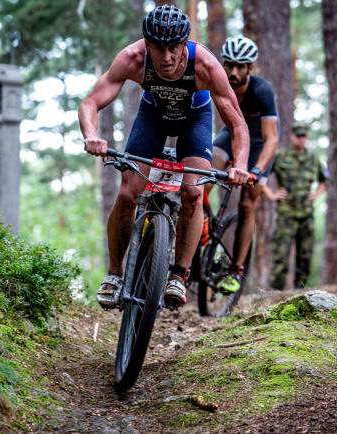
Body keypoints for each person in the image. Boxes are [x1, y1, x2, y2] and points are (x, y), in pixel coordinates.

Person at [79, 5, 251, 309]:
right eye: (159, 49)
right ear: (147, 45)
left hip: (195, 120)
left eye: (174, 48)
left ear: (185, 44)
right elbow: (91, 102)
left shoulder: (206, 66)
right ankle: (115, 274)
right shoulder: (133, 58)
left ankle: (178, 275)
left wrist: (241, 165)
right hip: (152, 117)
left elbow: (237, 123)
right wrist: (92, 135)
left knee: (193, 192)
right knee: (129, 192)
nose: (167, 57)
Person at [210, 35, 280, 293]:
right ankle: (204, 228)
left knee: (247, 204)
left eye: (241, 66)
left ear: (251, 68)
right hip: (229, 136)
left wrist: (257, 170)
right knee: (202, 178)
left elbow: (273, 139)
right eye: (230, 65)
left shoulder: (261, 91)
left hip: (259, 144)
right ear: (224, 64)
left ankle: (236, 270)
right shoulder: (217, 83)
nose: (234, 71)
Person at [262, 123, 327, 290]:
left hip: (306, 213)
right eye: (298, 136)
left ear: (307, 137)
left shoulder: (313, 159)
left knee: (305, 255)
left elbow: (325, 180)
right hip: (286, 214)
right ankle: (276, 292)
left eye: (303, 136)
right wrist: (272, 194)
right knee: (281, 254)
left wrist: (316, 194)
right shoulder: (281, 156)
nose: (300, 139)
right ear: (291, 137)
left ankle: (300, 291)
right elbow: (261, 176)